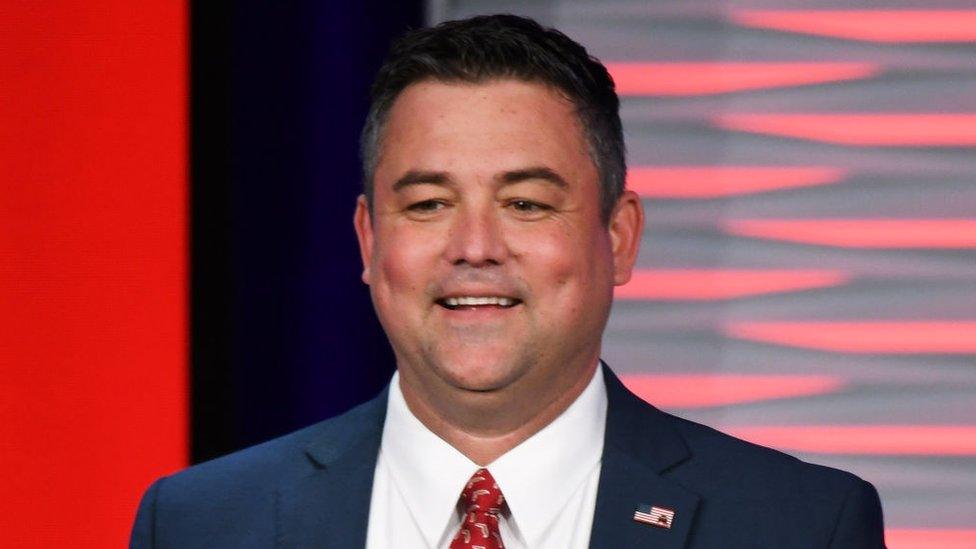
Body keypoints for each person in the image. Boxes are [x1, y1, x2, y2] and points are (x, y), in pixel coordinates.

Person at [131, 14, 885, 548]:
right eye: (428, 204)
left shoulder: (797, 524)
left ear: (618, 238)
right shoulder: (203, 523)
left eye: (525, 203)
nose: (475, 246)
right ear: (368, 240)